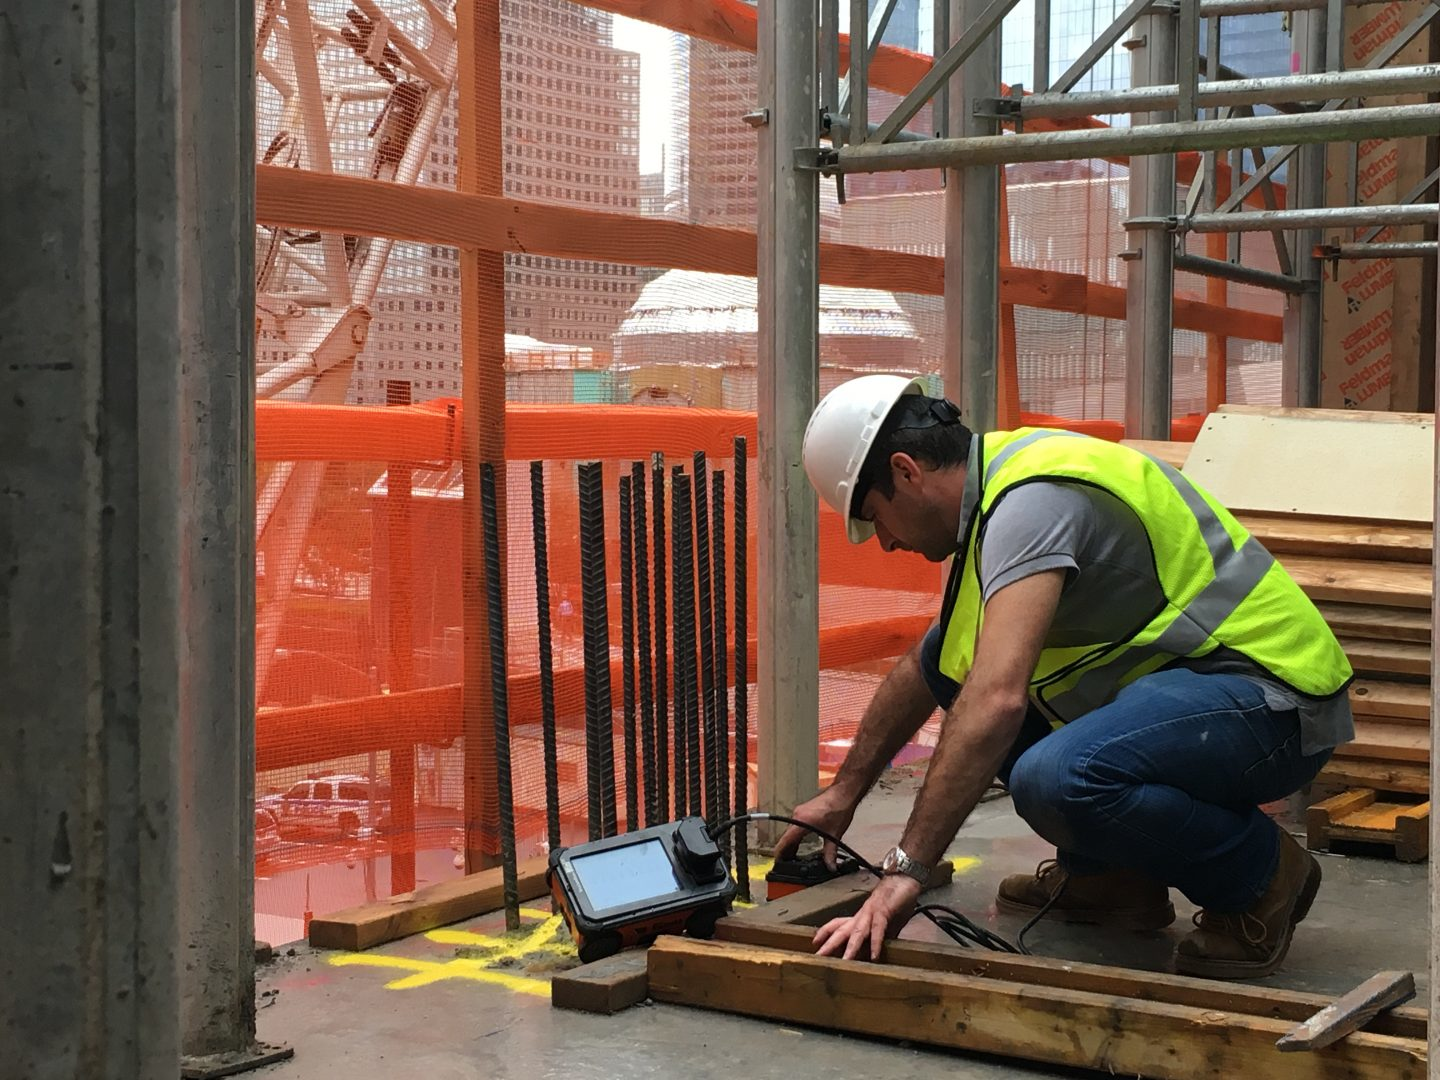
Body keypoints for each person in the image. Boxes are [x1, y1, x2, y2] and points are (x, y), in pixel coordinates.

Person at [775, 374, 1353, 980]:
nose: (886, 543)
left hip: (1272, 700)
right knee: (953, 672)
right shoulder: (993, 504)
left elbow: (996, 702)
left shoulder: (1030, 502)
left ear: (905, 472)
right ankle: (1111, 879)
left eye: (875, 518)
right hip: (1193, 694)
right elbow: (931, 668)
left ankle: (1261, 874)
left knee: (1058, 776)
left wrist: (905, 872)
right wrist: (844, 794)